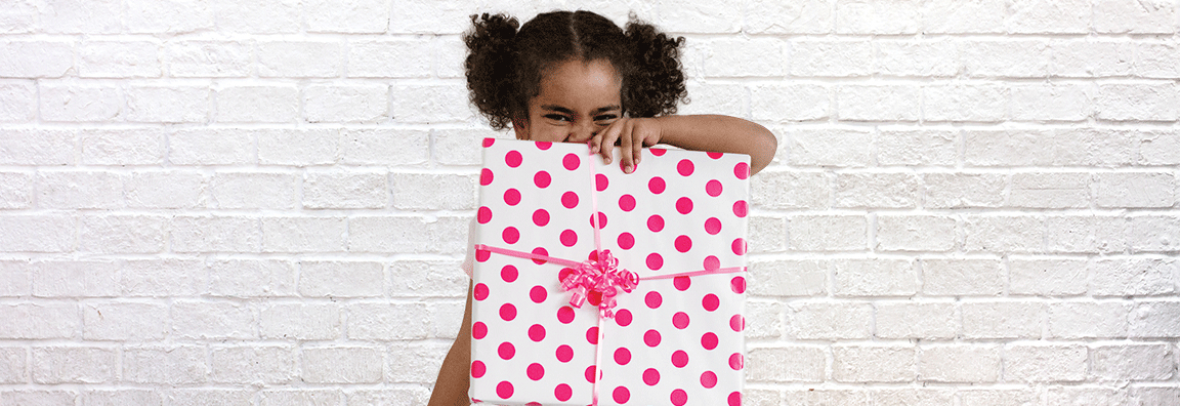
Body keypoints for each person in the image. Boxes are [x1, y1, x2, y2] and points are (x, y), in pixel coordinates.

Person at [427, 10, 776, 406]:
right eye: (559, 116)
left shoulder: (645, 172)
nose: (582, 134)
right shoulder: (507, 212)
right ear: (521, 123)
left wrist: (661, 128)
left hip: (650, 387)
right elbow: (474, 333)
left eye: (604, 116)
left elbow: (760, 148)